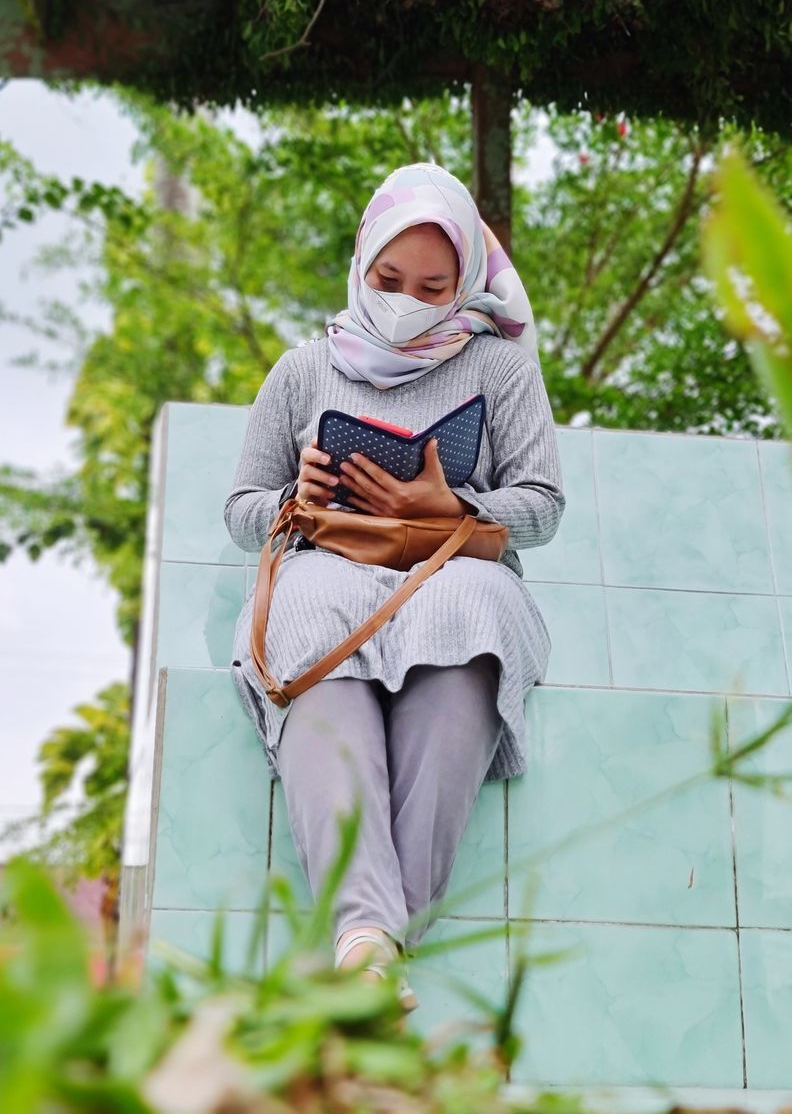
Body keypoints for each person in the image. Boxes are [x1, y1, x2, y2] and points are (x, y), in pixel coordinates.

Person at [223, 161, 565, 1011]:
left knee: (469, 615)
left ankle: (366, 948)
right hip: (327, 570)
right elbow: (238, 509)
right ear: (361, 263)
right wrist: (295, 501)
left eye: (432, 285)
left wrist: (449, 501)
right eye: (388, 279)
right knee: (305, 611)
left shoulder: (503, 369)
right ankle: (372, 948)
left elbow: (544, 507)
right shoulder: (303, 370)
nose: (407, 299)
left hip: (450, 577)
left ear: (466, 285)